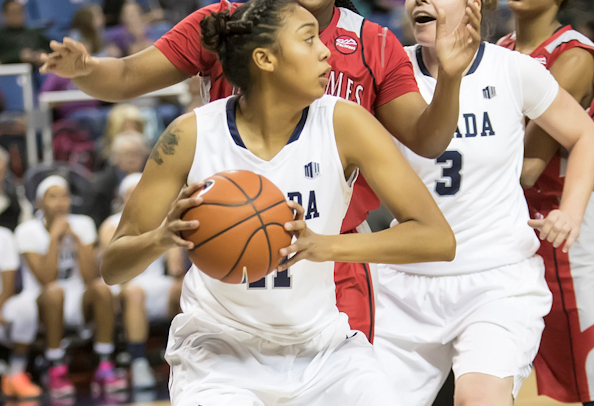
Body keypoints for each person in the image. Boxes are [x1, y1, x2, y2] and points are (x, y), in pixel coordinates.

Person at [40, 0, 481, 343]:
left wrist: (450, 79)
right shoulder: (229, 27)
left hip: (329, 251)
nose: (322, 54)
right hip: (228, 242)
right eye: (307, 42)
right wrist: (87, 69)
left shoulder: (373, 45)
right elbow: (123, 77)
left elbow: (427, 140)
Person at [372, 0, 594, 405]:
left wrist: (572, 211)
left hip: (495, 279)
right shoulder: (386, 69)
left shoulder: (511, 68)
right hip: (403, 283)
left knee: (480, 398)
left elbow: (584, 134)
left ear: (473, 4)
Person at [499, 1, 594, 404]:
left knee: (576, 377)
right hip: (516, 227)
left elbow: (527, 166)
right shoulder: (500, 48)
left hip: (567, 231)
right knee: (528, 374)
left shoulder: (573, 54)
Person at [14, 176, 127, 398]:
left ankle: (104, 364)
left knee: (101, 288)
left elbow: (90, 276)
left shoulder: (82, 224)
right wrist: (55, 238)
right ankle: (55, 366)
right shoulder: (27, 230)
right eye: (52, 197)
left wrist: (76, 242)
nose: (60, 202)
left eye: (64, 196)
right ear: (40, 203)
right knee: (55, 291)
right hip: (39, 297)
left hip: (76, 295)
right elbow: (46, 279)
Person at [99, 172, 184, 389]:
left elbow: (175, 269)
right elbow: (115, 268)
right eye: (131, 193)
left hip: (156, 283)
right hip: (125, 283)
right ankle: (138, 362)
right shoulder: (112, 224)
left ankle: (184, 353)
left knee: (186, 286)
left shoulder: (163, 221)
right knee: (135, 291)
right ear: (123, 198)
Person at [0, 226, 42, 399]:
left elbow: (8, 284)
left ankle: (16, 374)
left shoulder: (4, 235)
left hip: (2, 304)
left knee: (25, 307)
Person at [89, 131, 150, 227]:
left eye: (137, 153)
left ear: (144, 156)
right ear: (116, 157)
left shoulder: (152, 178)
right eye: (126, 154)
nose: (132, 158)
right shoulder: (103, 184)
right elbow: (97, 217)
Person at [0, 0, 51, 65]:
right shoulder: (2, 36)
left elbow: (52, 50)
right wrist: (19, 56)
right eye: (13, 12)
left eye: (20, 12)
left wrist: (42, 54)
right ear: (4, 15)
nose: (17, 16)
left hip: (37, 72)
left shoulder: (34, 34)